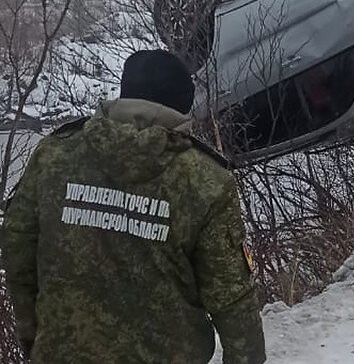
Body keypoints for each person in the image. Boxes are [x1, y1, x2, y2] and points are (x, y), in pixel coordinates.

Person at [1, 50, 266, 364]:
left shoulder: (55, 154)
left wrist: (35, 339)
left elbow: (17, 249)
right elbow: (230, 296)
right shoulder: (205, 180)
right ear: (182, 107)